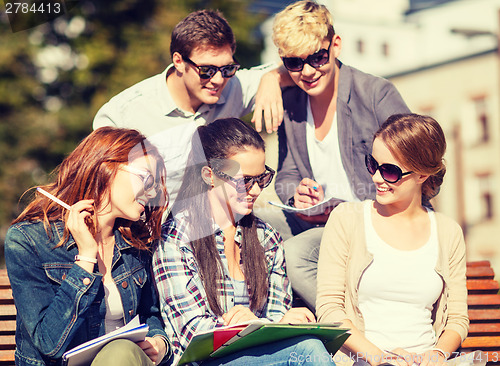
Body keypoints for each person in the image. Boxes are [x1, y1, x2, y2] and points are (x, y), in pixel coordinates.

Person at [257, 0, 411, 310]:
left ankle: (350, 328)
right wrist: (295, 196)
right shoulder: (292, 103)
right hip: (319, 224)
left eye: (317, 57)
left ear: (335, 45)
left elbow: (416, 170)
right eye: (295, 63)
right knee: (253, 224)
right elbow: (287, 173)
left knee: (295, 255)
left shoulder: (377, 94)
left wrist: (354, 208)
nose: (308, 71)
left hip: (376, 224)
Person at [152, 118, 335, 365]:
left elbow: (275, 315)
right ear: (209, 175)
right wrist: (254, 326)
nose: (256, 190)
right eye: (245, 180)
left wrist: (275, 323)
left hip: (260, 355)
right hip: (203, 361)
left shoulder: (266, 237)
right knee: (308, 351)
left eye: (262, 178)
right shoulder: (176, 237)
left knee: (310, 345)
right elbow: (190, 332)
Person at [5, 127, 172, 366]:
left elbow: (149, 314)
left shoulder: (134, 242)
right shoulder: (29, 240)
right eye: (146, 178)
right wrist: (85, 258)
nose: (153, 191)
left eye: (154, 183)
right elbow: (48, 343)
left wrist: (159, 343)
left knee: (122, 352)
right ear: (107, 167)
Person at [93, 9, 288, 209]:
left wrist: (271, 78)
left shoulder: (233, 87)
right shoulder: (124, 113)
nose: (218, 80)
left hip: (211, 226)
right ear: (178, 61)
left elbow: (298, 67)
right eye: (207, 70)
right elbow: (98, 183)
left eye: (227, 69)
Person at [316, 114, 469, 366]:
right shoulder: (347, 219)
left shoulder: (448, 231)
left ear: (422, 174)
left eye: (389, 171)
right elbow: (330, 310)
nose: (376, 177)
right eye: (373, 164)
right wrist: (381, 358)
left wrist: (437, 354)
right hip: (363, 362)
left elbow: (457, 318)